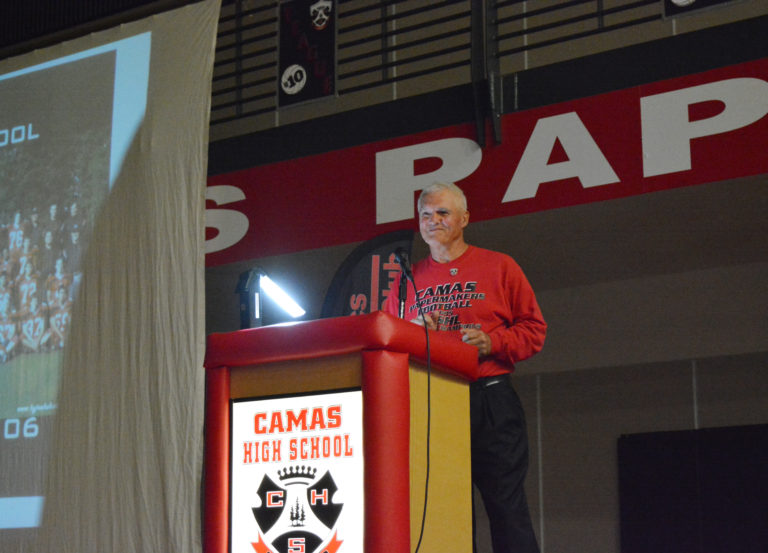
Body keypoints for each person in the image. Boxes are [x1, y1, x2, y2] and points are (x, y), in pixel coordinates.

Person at [383, 182, 546, 553]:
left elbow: (535, 330)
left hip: (491, 398)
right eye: (426, 215)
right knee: (446, 509)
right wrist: (415, 334)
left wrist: (494, 342)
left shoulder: (500, 266)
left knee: (506, 507)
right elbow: (389, 346)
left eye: (443, 213)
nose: (433, 221)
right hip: (434, 406)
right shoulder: (406, 283)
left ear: (464, 219)